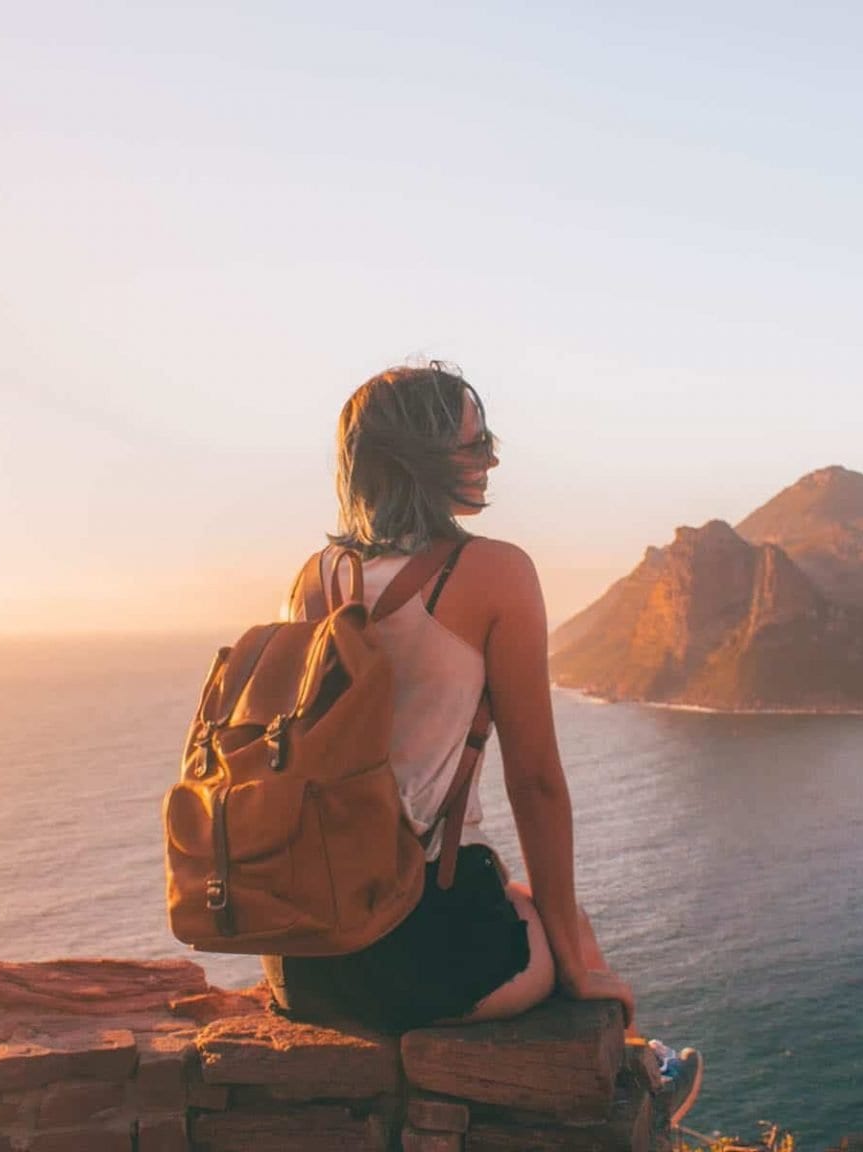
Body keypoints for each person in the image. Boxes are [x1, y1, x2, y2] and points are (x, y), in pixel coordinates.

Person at [259, 362, 700, 1121]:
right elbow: (535, 782)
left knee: (521, 897)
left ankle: (636, 1072)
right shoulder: (493, 572)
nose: (491, 458)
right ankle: (637, 1088)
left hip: (303, 954)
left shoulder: (316, 577)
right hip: (417, 950)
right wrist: (576, 958)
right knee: (563, 928)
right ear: (417, 460)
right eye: (474, 443)